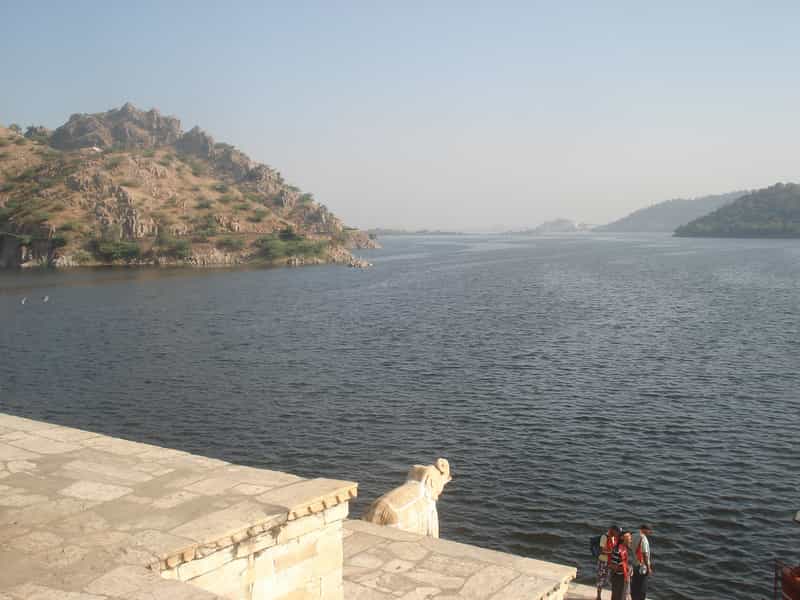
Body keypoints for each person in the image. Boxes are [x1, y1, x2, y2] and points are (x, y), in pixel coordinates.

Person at [596, 525, 620, 600]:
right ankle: (598, 596)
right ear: (612, 530)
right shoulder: (604, 537)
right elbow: (602, 550)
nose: (617, 534)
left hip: (611, 561)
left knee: (612, 579)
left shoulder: (614, 538)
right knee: (601, 579)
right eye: (617, 532)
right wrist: (611, 552)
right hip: (603, 561)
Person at [631, 524, 653, 600]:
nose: (650, 532)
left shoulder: (633, 535)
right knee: (642, 586)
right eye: (649, 530)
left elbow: (629, 546)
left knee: (635, 584)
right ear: (644, 529)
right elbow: (645, 554)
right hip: (642, 566)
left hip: (635, 563)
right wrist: (648, 567)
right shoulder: (644, 539)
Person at [609, 530, 632, 600]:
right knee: (617, 596)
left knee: (623, 596)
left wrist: (629, 569)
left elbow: (625, 562)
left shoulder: (625, 548)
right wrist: (625, 568)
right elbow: (612, 566)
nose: (630, 539)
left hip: (624, 576)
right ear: (622, 538)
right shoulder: (617, 551)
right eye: (629, 537)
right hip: (618, 577)